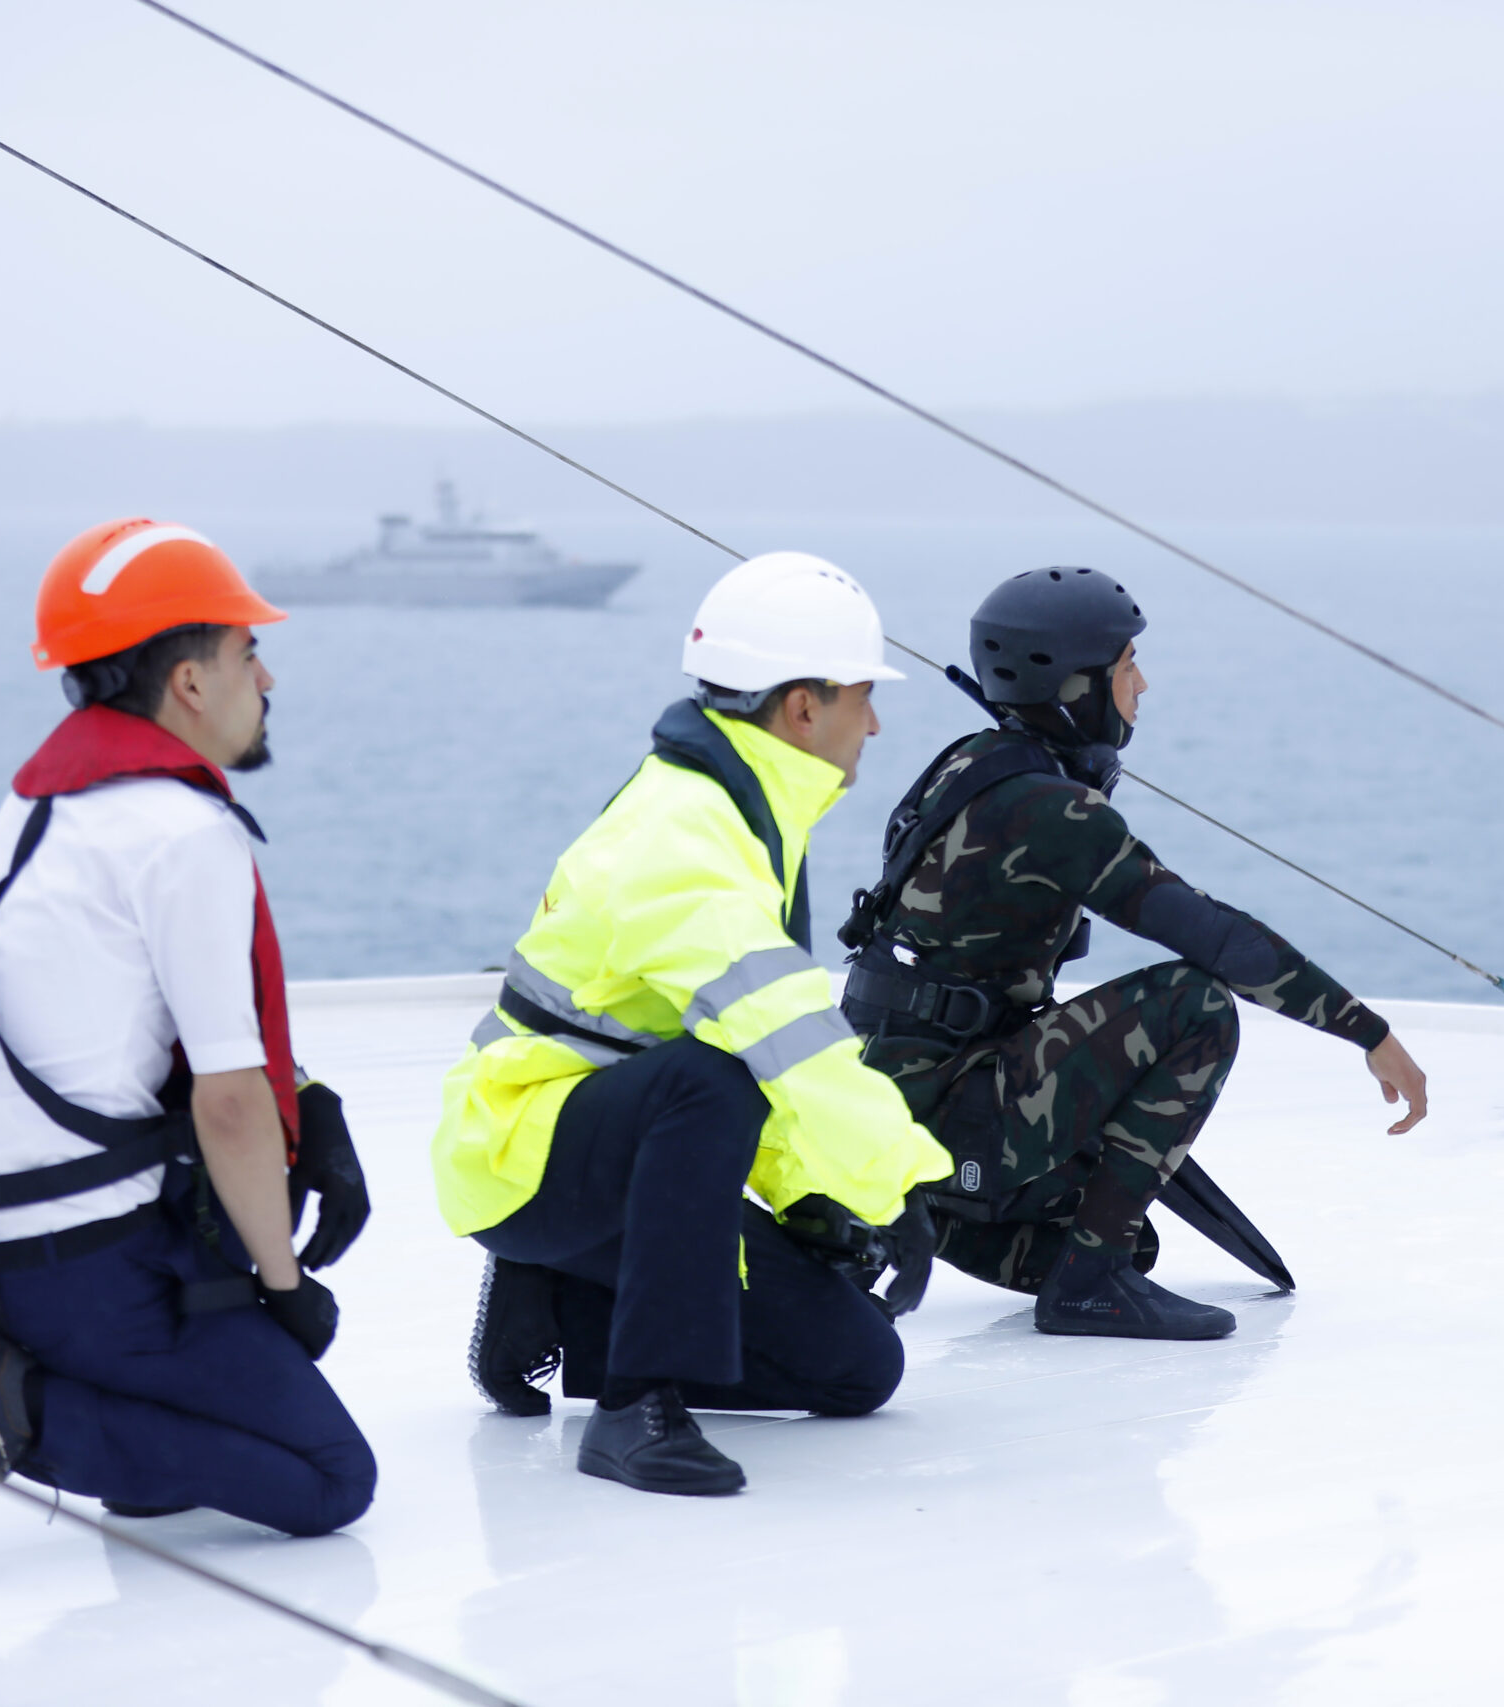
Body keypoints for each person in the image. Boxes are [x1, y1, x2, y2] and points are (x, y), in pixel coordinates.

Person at [0, 520, 376, 1579]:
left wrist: (313, 1106)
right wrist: (284, 1282)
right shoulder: (179, 830)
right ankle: (9, 1409)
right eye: (250, 652)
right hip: (85, 1269)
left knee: (155, 1489)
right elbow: (230, 1104)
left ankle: (25, 1377)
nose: (268, 675)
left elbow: (117, 1023)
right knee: (330, 1478)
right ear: (192, 681)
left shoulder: (40, 807)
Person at [441, 552, 951, 1497]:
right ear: (804, 707)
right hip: (526, 1151)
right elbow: (785, 1039)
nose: (873, 722)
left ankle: (566, 1301)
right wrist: (895, 1182)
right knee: (708, 1081)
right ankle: (634, 1409)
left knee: (860, 1367)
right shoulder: (685, 836)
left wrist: (810, 1200)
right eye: (861, 698)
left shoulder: (740, 813)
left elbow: (764, 1045)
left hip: (599, 1148)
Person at [838, 567, 1430, 1340]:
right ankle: (1085, 1285)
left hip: (895, 1101)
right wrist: (1369, 1033)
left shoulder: (973, 762)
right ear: (1073, 684)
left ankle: (939, 1212)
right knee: (1195, 1005)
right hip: (948, 1103)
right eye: (1125, 666)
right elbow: (1211, 936)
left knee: (1133, 1238)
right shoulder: (1053, 809)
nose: (1142, 684)